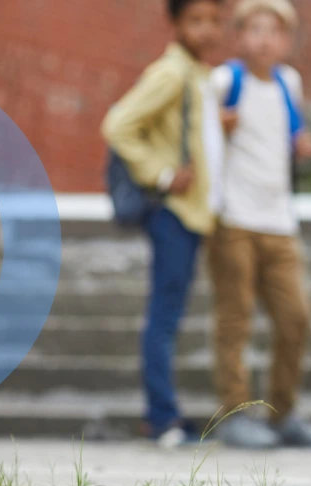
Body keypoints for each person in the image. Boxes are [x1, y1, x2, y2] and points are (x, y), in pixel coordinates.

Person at [203, 0, 311, 448]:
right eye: (254, 29)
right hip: (233, 221)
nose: (264, 38)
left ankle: (284, 413)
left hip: (279, 221)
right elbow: (200, 137)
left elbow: (287, 132)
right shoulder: (226, 80)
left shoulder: (289, 82)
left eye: (274, 30)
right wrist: (217, 126)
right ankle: (236, 413)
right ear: (239, 36)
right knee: (235, 318)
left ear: (286, 39)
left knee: (296, 317)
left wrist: (300, 143)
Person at [102, 0, 224, 449]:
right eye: (196, 20)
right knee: (164, 315)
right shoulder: (171, 72)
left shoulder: (198, 73)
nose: (207, 30)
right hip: (172, 213)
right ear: (174, 23)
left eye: (214, 20)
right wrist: (163, 173)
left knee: (169, 313)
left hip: (193, 214)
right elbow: (118, 125)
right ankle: (161, 418)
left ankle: (164, 413)